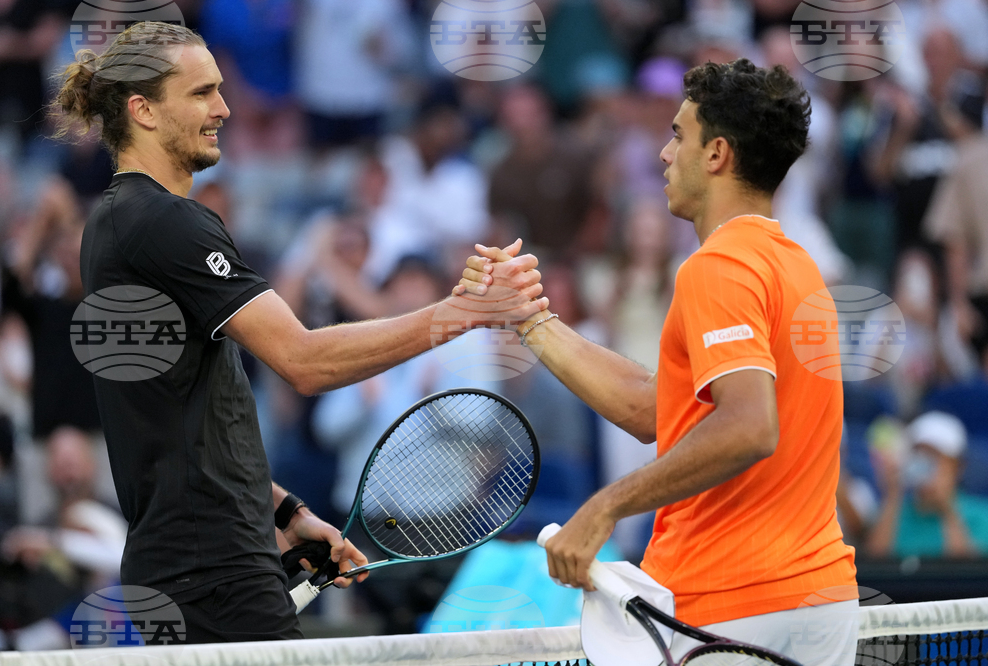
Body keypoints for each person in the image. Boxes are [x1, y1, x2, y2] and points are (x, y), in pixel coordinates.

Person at [50, 21, 546, 644]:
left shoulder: (112, 222)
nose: (224, 109)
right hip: (215, 571)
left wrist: (284, 510)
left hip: (192, 561)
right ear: (143, 111)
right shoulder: (166, 224)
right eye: (202, 93)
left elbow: (187, 420)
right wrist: (464, 312)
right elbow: (305, 361)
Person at [458, 59, 858, 663]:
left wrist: (605, 505)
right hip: (813, 600)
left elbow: (750, 425)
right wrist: (530, 319)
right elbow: (656, 410)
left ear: (717, 153)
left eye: (678, 135)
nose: (665, 155)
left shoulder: (718, 266)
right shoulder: (796, 266)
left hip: (733, 610)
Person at [866, 411, 988, 557]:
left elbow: (968, 573)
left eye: (936, 457)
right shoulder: (892, 511)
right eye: (919, 454)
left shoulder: (981, 515)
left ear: (958, 466)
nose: (927, 465)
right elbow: (874, 564)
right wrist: (893, 494)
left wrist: (947, 510)